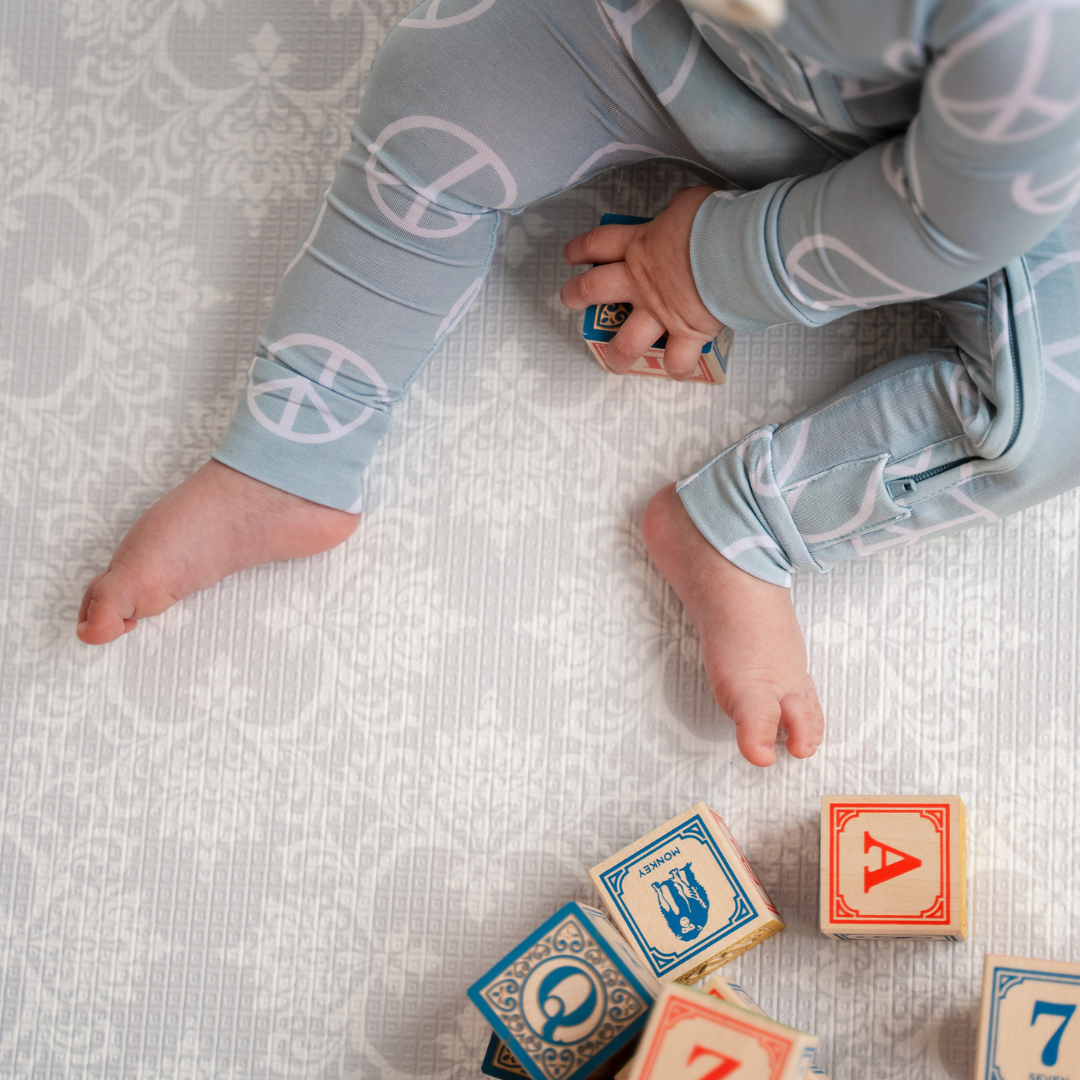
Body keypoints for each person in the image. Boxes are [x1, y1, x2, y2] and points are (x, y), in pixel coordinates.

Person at [75, 0, 1080, 768]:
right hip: (680, 41)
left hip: (995, 192)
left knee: (1053, 416)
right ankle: (295, 445)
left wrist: (716, 265)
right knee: (438, 86)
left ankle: (752, 523)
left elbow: (943, 221)